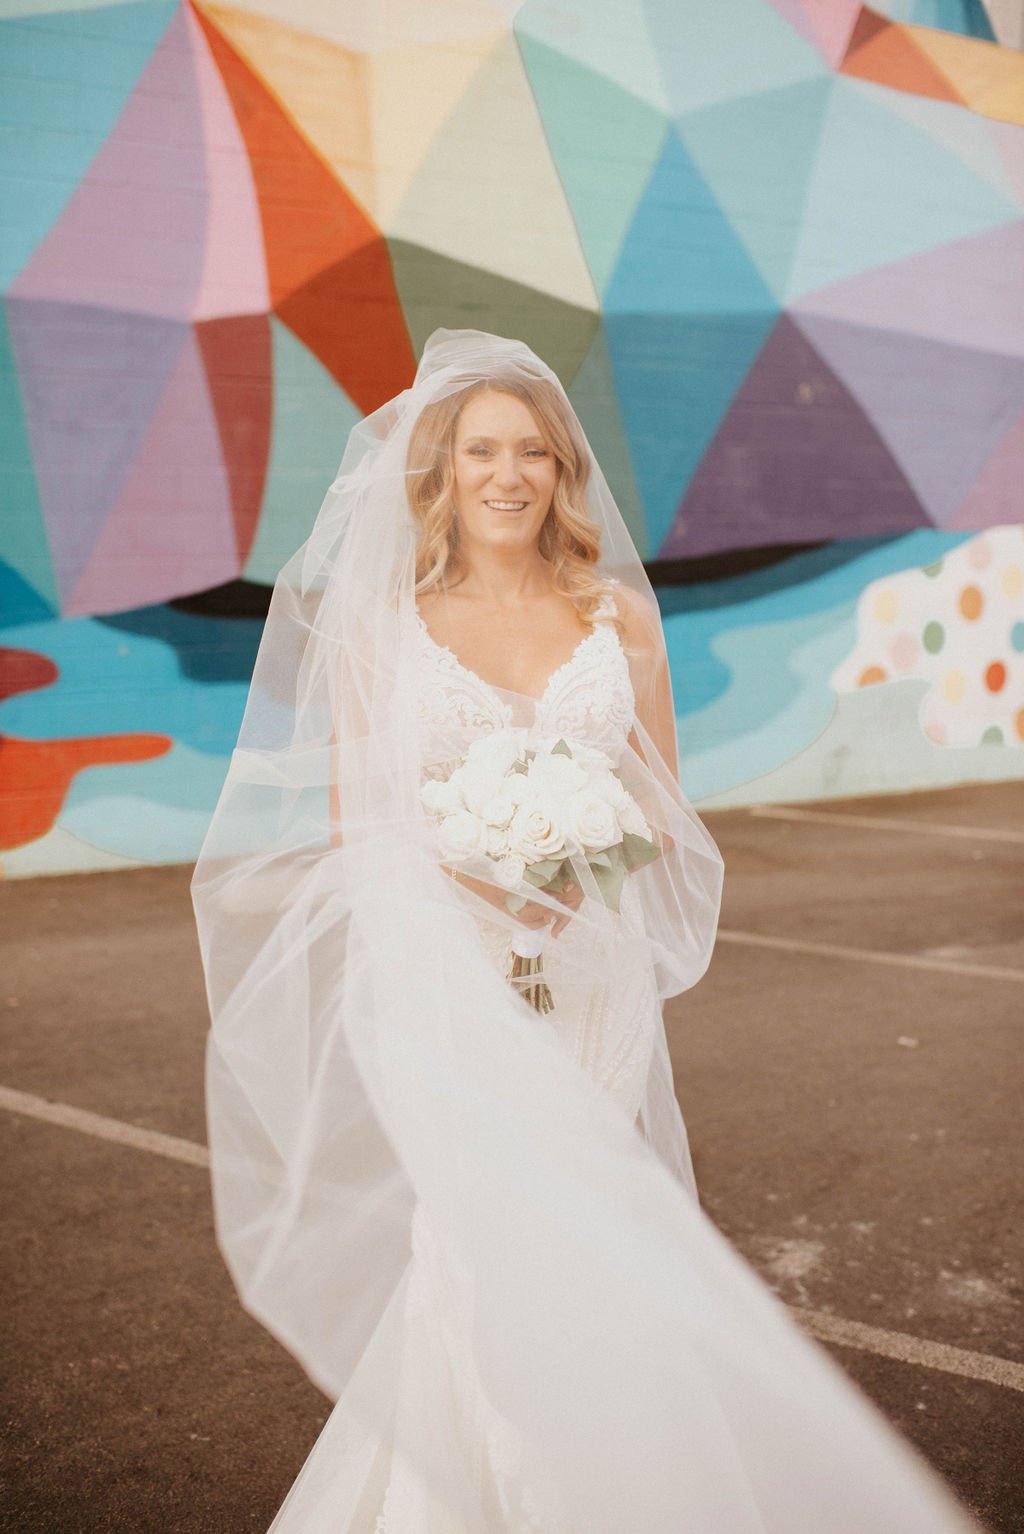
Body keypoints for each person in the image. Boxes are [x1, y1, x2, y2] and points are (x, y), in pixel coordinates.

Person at [191, 330, 978, 1532]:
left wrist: (565, 864)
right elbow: (364, 826)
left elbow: (661, 811)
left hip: (591, 975)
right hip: (448, 973)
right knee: (480, 1241)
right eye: (480, 452)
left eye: (531, 452)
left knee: (593, 1233)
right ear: (442, 471)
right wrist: (483, 880)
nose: (507, 475)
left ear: (562, 470)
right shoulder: (386, 626)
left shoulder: (617, 617)